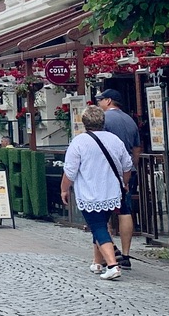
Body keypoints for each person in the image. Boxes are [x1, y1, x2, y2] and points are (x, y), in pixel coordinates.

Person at [60, 105, 132, 281]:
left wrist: (64, 189)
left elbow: (70, 171)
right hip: (112, 191)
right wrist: (125, 183)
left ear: (84, 122)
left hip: (90, 192)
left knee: (98, 227)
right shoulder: (115, 140)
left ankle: (112, 265)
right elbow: (127, 166)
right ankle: (97, 262)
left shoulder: (79, 142)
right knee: (101, 224)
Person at [96, 90, 140, 270]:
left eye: (100, 100)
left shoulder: (104, 120)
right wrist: (132, 166)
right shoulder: (130, 120)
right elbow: (136, 148)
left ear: (108, 101)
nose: (99, 104)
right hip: (128, 171)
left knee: (101, 213)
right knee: (124, 210)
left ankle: (109, 251)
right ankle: (126, 254)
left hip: (108, 172)